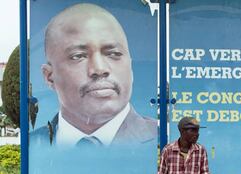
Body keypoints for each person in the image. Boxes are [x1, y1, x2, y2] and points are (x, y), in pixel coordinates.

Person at [31, 3, 157, 147]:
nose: (99, 69)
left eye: (113, 54)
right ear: (49, 76)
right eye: (78, 56)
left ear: (130, 66)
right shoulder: (33, 145)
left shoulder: (159, 138)